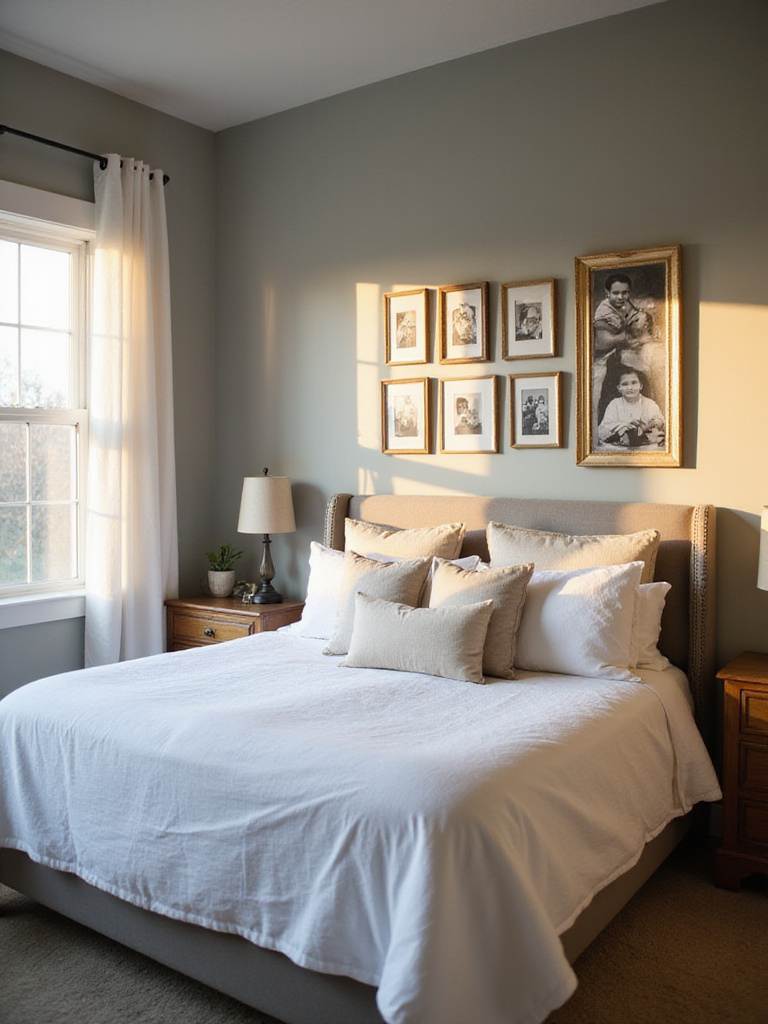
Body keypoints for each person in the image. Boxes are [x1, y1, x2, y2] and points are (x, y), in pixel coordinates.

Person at [598, 369, 665, 448]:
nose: (630, 387)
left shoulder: (649, 404)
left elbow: (660, 422)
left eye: (634, 383)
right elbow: (603, 429)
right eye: (625, 384)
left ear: (641, 386)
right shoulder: (614, 404)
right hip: (619, 447)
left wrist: (649, 425)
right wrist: (624, 425)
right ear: (619, 388)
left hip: (645, 447)